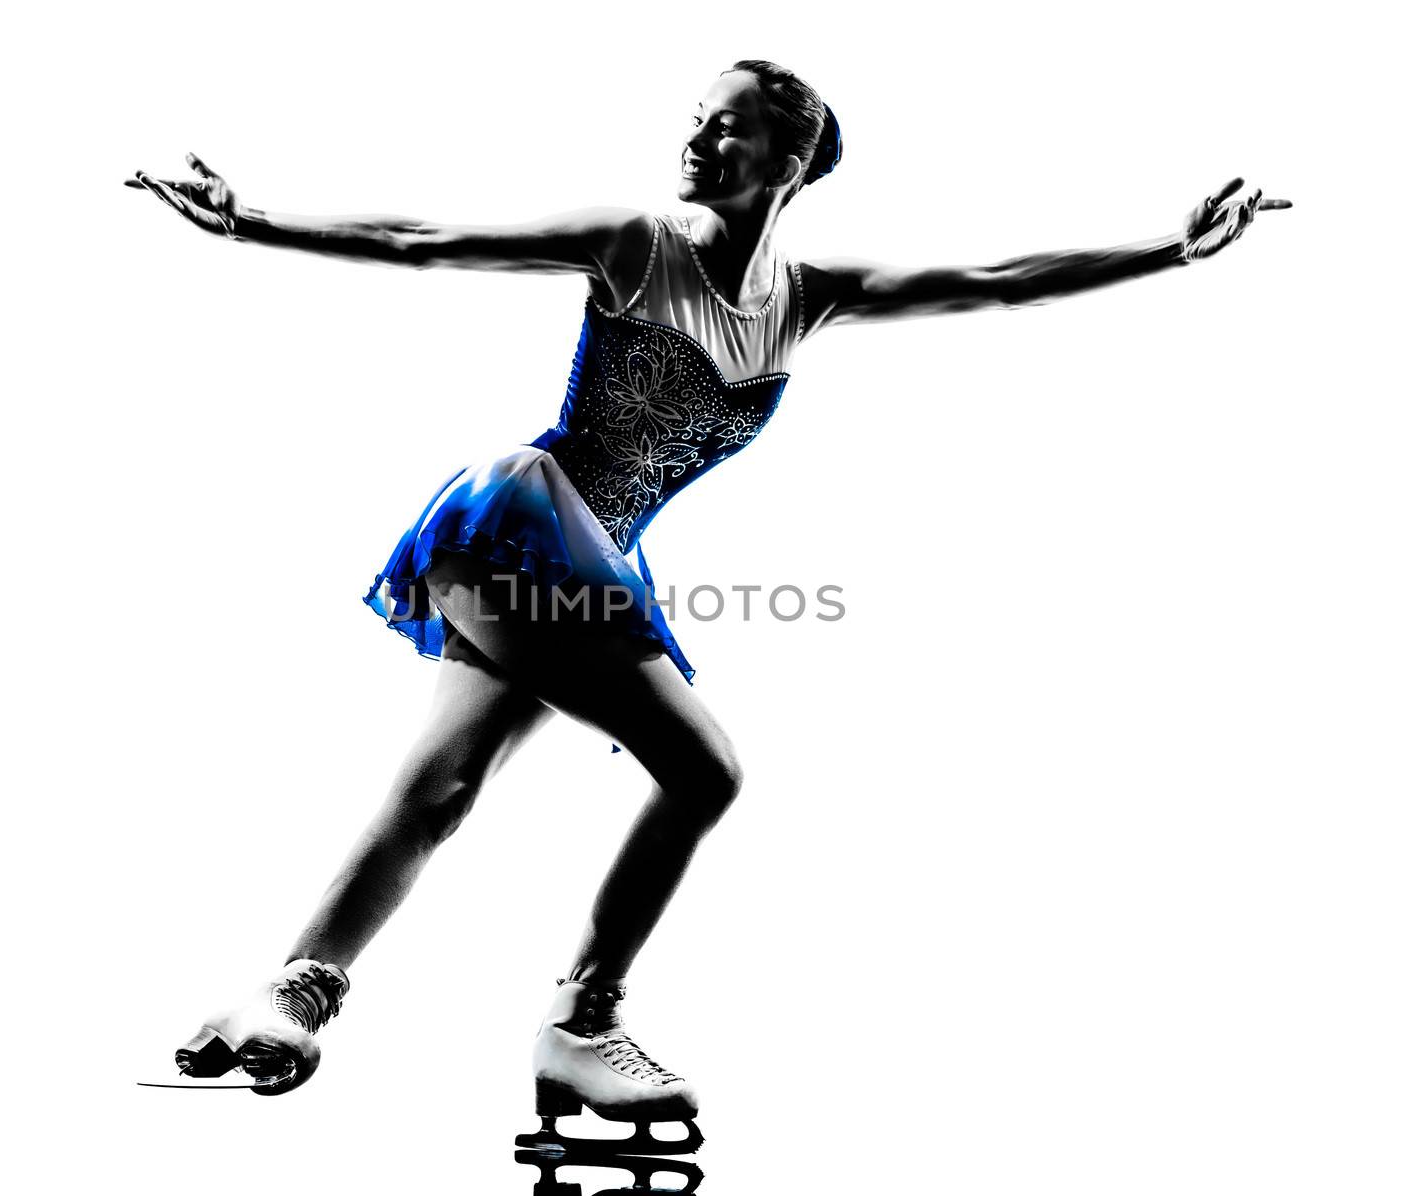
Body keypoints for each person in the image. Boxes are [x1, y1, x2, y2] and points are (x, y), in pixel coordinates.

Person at [128, 59, 1291, 1135]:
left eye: (728, 123)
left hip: (585, 556)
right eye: (694, 119)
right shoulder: (638, 243)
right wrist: (249, 219)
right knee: (704, 767)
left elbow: (992, 283)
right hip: (530, 521)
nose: (699, 138)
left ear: (792, 157)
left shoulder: (810, 295)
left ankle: (285, 996)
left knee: (440, 786)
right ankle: (583, 1021)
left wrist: (1171, 250)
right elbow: (426, 239)